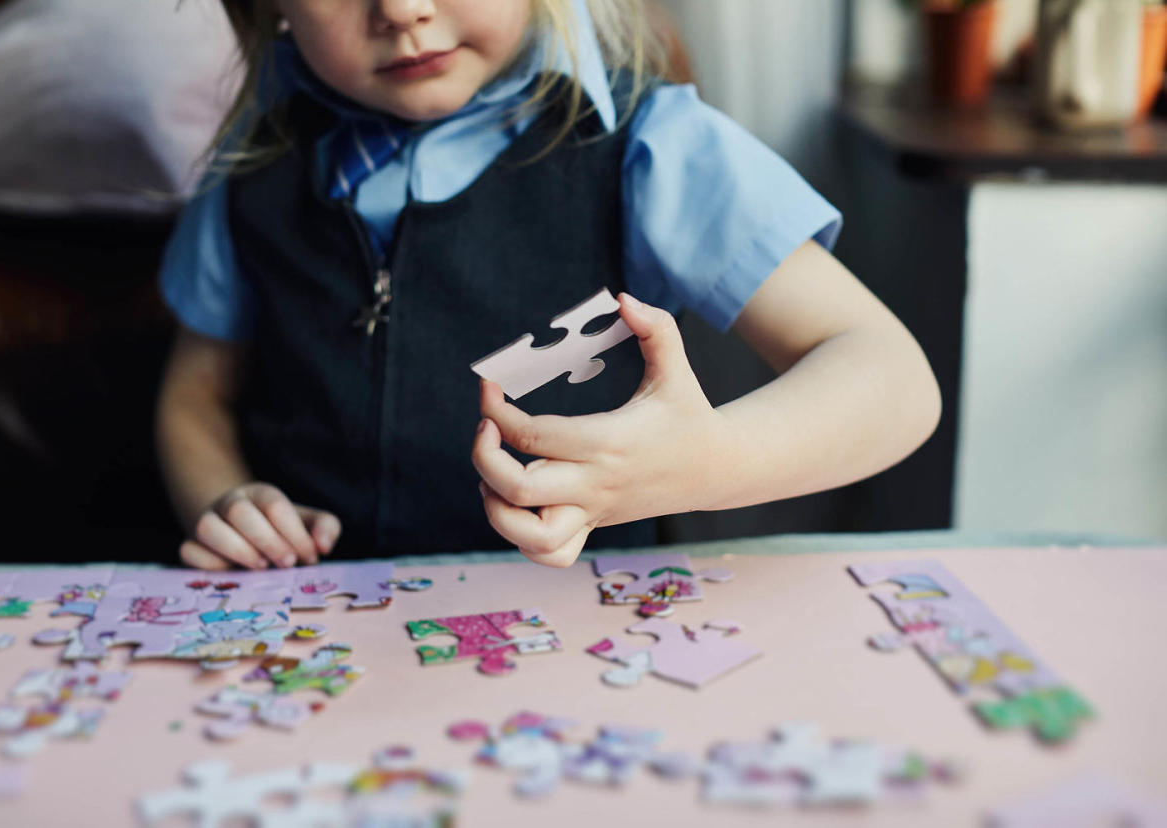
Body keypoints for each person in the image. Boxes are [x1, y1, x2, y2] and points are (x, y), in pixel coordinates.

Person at [155, 0, 941, 571]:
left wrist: (706, 459)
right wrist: (226, 501)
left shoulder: (651, 147)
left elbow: (891, 376)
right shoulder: (250, 169)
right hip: (312, 644)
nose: (400, 10)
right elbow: (196, 397)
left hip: (571, 644)